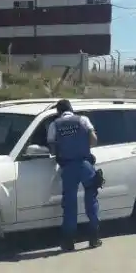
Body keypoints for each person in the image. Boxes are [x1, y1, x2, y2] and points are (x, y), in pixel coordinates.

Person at [46, 98, 102, 251]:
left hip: (68, 167)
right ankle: (94, 238)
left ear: (58, 111)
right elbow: (94, 140)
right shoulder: (83, 120)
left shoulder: (54, 125)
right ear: (71, 109)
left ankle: (69, 242)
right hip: (85, 165)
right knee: (91, 200)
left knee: (69, 205)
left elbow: (52, 149)